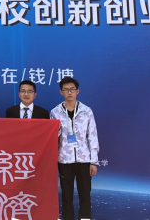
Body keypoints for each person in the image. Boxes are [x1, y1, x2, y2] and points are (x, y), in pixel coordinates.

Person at [50, 77, 99, 220]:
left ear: (77, 91)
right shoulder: (55, 112)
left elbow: (92, 136)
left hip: (84, 160)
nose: (69, 92)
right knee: (66, 197)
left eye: (72, 89)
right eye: (66, 90)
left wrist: (93, 161)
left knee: (85, 196)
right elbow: (52, 138)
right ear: (61, 92)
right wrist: (57, 129)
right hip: (64, 160)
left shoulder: (86, 111)